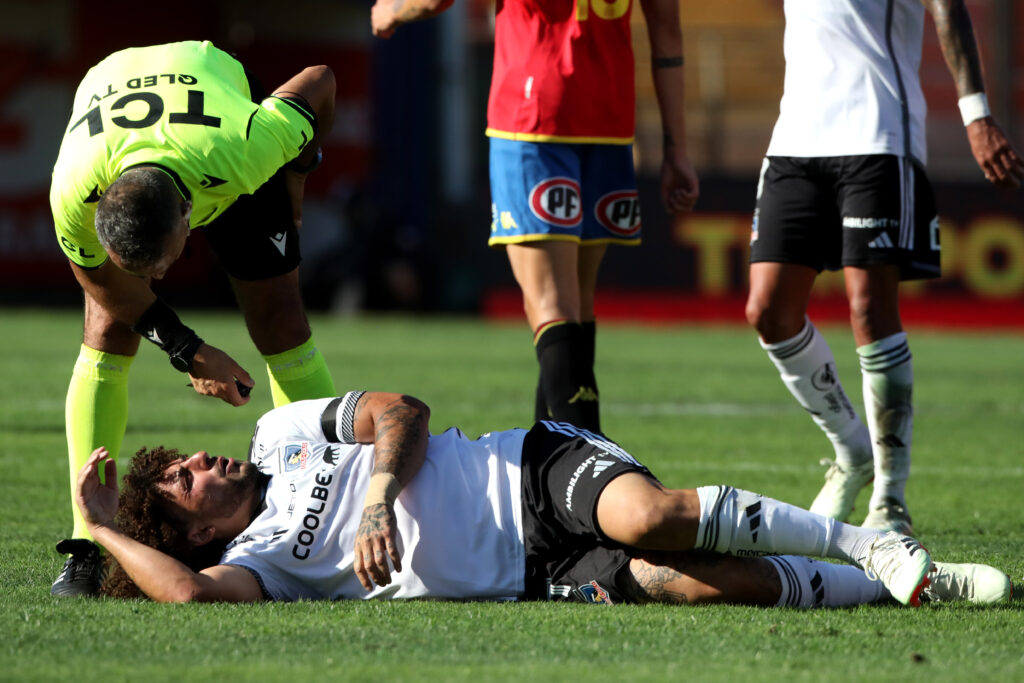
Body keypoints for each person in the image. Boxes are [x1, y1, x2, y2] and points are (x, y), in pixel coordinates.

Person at [75, 391, 1011, 607]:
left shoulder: (281, 434)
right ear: (194, 529)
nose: (199, 458)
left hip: (525, 466)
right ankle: (904, 590)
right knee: (688, 583)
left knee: (649, 516)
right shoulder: (256, 565)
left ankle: (871, 541)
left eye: (186, 456)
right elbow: (189, 598)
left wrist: (375, 503)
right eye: (181, 478)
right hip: (532, 571)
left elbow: (401, 409)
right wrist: (100, 528)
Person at [48, 40, 340, 596]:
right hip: (113, 92)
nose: (156, 281)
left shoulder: (248, 149)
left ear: (191, 216)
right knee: (107, 328)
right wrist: (187, 348)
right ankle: (86, 542)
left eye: (163, 264)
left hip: (212, 114)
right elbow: (100, 282)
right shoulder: (72, 193)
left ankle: (330, 497)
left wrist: (298, 169)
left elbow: (320, 78)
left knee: (280, 318)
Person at [745, 0, 1024, 534]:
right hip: (795, 138)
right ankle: (853, 453)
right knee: (767, 309)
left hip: (875, 132)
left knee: (869, 309)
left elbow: (948, 8)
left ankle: (890, 501)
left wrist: (976, 114)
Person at [370, 0, 700, 433]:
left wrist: (392, 10)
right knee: (576, 306)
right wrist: (676, 147)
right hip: (609, 119)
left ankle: (588, 467)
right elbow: (668, 35)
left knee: (551, 306)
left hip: (533, 115)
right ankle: (548, 473)